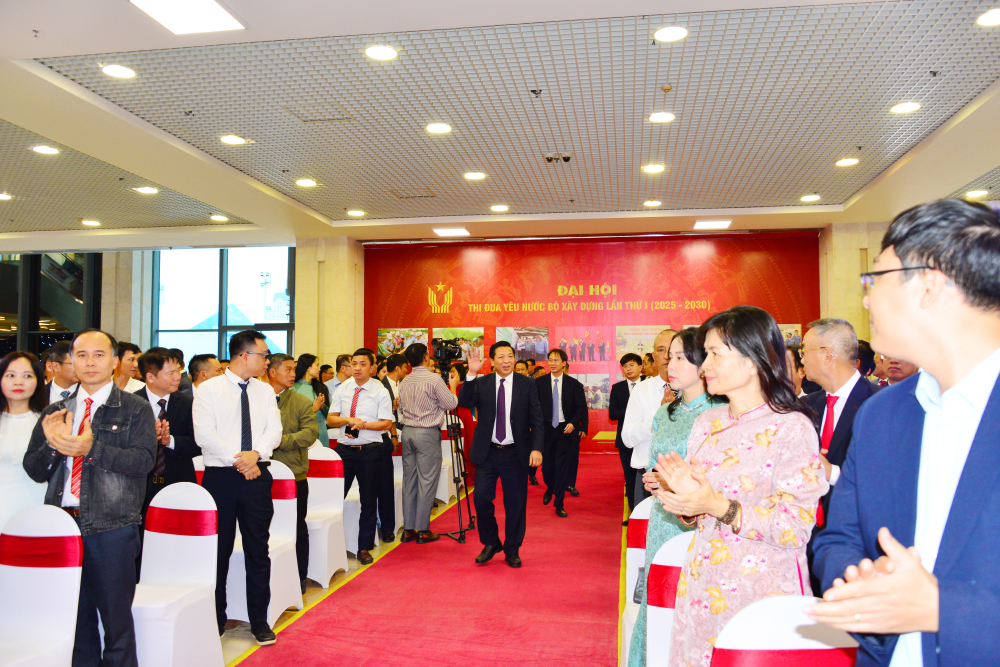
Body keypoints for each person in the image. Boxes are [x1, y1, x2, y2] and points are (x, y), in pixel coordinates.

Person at [807, 199, 1000, 666]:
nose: (867, 299)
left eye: (875, 279)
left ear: (930, 285)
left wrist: (942, 610)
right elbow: (837, 539)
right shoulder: (883, 415)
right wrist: (860, 581)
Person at [648, 307, 827, 667]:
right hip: (703, 585)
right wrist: (685, 500)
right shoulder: (707, 422)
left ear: (752, 360)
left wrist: (717, 506)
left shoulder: (792, 428)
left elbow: (794, 528)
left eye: (715, 354)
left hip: (760, 595)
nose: (705, 365)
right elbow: (699, 514)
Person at [25, 329, 157, 667]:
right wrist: (53, 445)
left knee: (116, 620)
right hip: (63, 526)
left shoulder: (136, 409)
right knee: (76, 619)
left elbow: (143, 462)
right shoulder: (56, 410)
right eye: (81, 355)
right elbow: (35, 469)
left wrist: (91, 449)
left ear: (114, 362)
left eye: (99, 355)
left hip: (112, 527)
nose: (90, 362)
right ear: (71, 361)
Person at [627, 329, 723, 667]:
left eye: (681, 357)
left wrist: (677, 484)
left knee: (695, 602)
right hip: (662, 520)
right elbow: (653, 465)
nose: (670, 364)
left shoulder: (721, 413)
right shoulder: (664, 413)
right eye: (669, 357)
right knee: (659, 601)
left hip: (703, 523)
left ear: (703, 363)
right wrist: (655, 480)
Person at [192, 329, 282, 645]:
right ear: (244, 355)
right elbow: (205, 435)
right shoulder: (209, 389)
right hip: (221, 479)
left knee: (258, 550)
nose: (267, 361)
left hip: (258, 476)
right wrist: (241, 459)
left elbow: (274, 431)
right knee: (219, 551)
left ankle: (259, 620)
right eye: (264, 355)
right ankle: (216, 618)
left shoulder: (265, 391)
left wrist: (255, 454)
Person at [799, 319, 881, 596]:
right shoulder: (805, 406)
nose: (801, 358)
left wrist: (832, 473)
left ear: (827, 354)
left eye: (804, 350)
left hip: (853, 546)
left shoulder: (879, 404)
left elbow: (886, 481)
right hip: (804, 538)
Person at [460, 342, 544, 568]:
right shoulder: (482, 383)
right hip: (487, 452)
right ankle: (491, 542)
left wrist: (537, 448)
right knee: (481, 498)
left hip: (515, 453)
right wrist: (471, 374)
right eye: (501, 357)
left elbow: (537, 418)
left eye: (510, 356)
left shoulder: (527, 384)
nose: (506, 361)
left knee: (515, 504)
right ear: (492, 361)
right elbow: (464, 402)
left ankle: (512, 549)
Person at [328, 348, 393, 565]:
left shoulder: (380, 391)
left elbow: (386, 423)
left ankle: (363, 547)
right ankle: (333, 545)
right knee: (335, 498)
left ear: (372, 367)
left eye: (363, 364)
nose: (357, 368)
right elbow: (330, 419)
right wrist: (349, 420)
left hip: (369, 451)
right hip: (344, 451)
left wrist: (363, 425)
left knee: (368, 501)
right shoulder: (343, 388)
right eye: (354, 363)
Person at [397, 343, 458, 544]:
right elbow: (450, 404)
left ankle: (409, 529)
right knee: (427, 480)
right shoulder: (434, 379)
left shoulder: (405, 381)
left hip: (407, 432)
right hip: (426, 433)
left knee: (410, 480)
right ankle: (423, 529)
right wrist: (453, 386)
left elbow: (401, 408)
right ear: (426, 357)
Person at [267, 353, 318, 594]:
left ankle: (299, 576)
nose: (292, 374)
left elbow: (310, 433)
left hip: (294, 475)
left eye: (293, 369)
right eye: (287, 369)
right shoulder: (258, 399)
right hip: (260, 474)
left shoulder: (300, 401)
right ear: (272, 372)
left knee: (297, 527)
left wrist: (278, 441)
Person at [134, 348, 200, 522]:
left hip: (179, 483)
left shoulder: (189, 403)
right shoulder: (131, 404)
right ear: (150, 377)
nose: (178, 377)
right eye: (171, 373)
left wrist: (169, 441)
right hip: (140, 486)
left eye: (178, 370)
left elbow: (198, 444)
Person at [622, 329, 677, 509]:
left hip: (686, 479)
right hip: (647, 477)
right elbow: (628, 437)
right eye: (661, 350)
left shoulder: (696, 389)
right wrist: (659, 418)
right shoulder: (641, 390)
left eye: (672, 349)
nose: (667, 356)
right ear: (653, 356)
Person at [536, 349, 587, 517]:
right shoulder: (539, 383)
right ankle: (550, 487)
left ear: (564, 363)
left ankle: (559, 504)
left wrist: (573, 423)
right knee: (547, 469)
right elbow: (534, 407)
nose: (552, 363)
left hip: (565, 430)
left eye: (556, 360)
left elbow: (581, 408)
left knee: (561, 468)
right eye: (550, 360)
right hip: (546, 430)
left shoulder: (574, 385)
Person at [0, 351, 48, 529]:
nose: (18, 382)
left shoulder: (48, 421)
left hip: (36, 505)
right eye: (10, 375)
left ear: (39, 381)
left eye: (27, 376)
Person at [609, 353, 644, 522]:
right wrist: (632, 411)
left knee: (648, 478)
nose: (628, 369)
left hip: (646, 439)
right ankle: (633, 515)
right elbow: (612, 414)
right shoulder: (618, 388)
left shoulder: (649, 384)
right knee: (630, 479)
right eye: (625, 366)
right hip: (626, 441)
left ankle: (646, 514)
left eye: (632, 365)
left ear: (640, 367)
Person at [293, 353, 329, 448]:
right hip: (302, 433)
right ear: (308, 367)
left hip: (321, 432)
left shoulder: (322, 388)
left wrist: (322, 407)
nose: (319, 369)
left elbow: (330, 415)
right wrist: (312, 410)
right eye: (317, 365)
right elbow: (291, 416)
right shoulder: (293, 388)